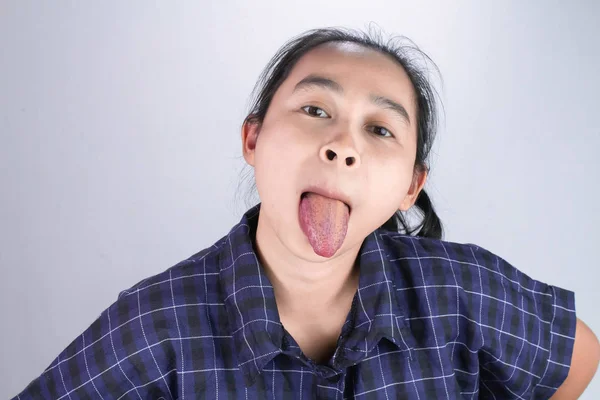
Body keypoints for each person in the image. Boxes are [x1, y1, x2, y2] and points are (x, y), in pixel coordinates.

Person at [12, 27, 599, 400]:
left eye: (379, 128)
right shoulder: (154, 326)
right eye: (316, 109)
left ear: (410, 188)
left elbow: (577, 355)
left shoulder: (461, 289)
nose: (343, 145)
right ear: (253, 138)